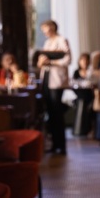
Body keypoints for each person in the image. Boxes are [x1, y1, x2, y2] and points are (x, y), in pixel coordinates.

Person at [37, 20, 72, 155]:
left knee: (57, 112)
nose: (44, 32)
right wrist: (41, 63)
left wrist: (51, 62)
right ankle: (54, 143)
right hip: (46, 78)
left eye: (46, 29)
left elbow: (67, 59)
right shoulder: (47, 43)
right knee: (50, 112)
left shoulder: (62, 40)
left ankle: (61, 145)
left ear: (52, 28)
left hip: (56, 80)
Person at [72, 53, 95, 136]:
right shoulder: (76, 72)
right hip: (79, 96)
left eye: (86, 60)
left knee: (86, 104)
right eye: (82, 60)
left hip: (90, 97)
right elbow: (73, 86)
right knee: (81, 101)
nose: (84, 62)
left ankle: (86, 129)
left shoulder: (91, 72)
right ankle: (79, 129)